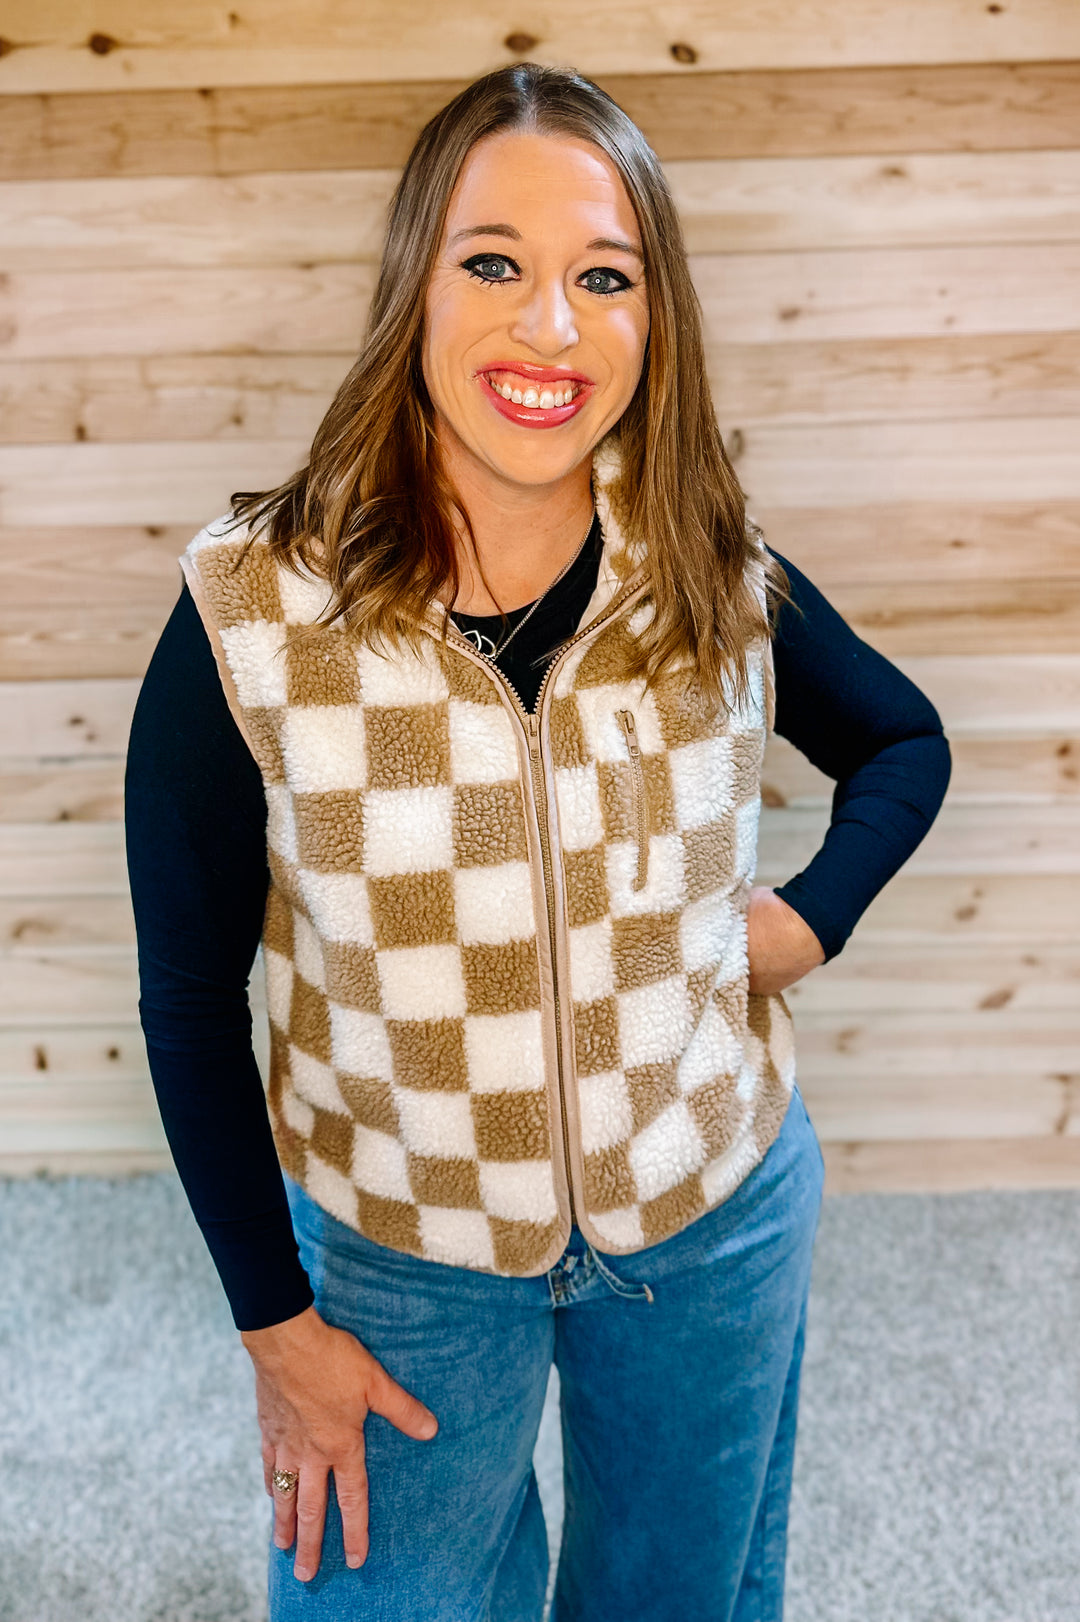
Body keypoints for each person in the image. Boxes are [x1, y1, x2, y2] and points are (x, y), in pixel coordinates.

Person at [125, 63, 951, 1622]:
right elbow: (185, 1000)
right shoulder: (251, 614)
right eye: (492, 261)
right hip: (399, 1256)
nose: (549, 326)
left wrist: (807, 919)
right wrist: (275, 1328)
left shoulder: (708, 562)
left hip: (711, 1209)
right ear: (412, 281)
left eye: (605, 277)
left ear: (657, 318)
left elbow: (905, 740)